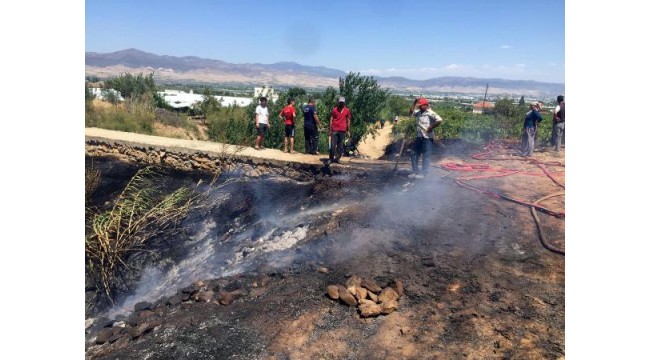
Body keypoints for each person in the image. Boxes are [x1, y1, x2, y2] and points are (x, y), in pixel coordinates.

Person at [408, 98, 443, 177]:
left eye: (421, 106)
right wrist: (414, 102)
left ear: (426, 105)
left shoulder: (431, 113)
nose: (419, 107)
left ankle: (425, 173)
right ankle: (415, 171)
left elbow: (439, 120)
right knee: (414, 153)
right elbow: (410, 113)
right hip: (419, 136)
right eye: (419, 106)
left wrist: (431, 127)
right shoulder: (418, 112)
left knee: (426, 155)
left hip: (427, 138)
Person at [328, 96, 351, 164]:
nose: (341, 103)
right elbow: (331, 120)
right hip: (334, 130)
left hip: (342, 130)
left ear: (344, 103)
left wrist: (348, 130)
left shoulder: (347, 110)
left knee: (340, 146)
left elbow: (348, 121)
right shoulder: (334, 110)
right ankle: (331, 158)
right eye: (340, 102)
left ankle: (337, 158)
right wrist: (330, 130)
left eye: (342, 102)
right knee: (332, 146)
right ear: (339, 102)